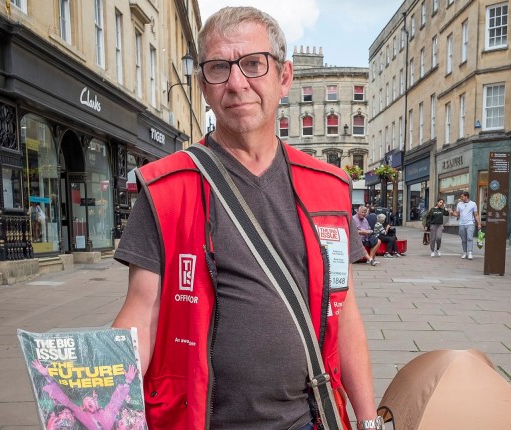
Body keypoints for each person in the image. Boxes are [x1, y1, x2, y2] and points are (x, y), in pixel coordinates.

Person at [111, 7, 377, 429]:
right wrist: (94, 397)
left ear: (284, 77)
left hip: (308, 420)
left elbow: (342, 313)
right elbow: (142, 313)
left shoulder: (329, 188)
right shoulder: (164, 189)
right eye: (219, 68)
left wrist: (368, 420)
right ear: (203, 85)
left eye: (253, 64)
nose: (237, 83)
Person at [31, 359, 138, 430]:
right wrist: (47, 377)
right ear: (83, 407)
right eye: (87, 401)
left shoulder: (107, 415)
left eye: (91, 399)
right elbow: (64, 400)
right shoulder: (82, 415)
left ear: (97, 403)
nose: (90, 401)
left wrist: (128, 381)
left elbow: (116, 401)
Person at [450, 192, 481, 260]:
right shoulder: (459, 204)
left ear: (466, 197)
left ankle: (470, 253)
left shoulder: (473, 204)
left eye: (462, 197)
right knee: (463, 239)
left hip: (470, 223)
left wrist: (479, 224)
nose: (461, 198)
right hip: (461, 224)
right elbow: (457, 214)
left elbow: (476, 214)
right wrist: (452, 213)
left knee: (469, 238)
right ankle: (464, 252)